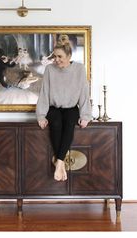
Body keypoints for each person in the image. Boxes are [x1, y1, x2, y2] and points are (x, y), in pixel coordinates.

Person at [36, 36, 91, 182]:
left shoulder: (79, 69)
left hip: (71, 108)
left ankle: (58, 162)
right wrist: (41, 116)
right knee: (56, 123)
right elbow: (44, 93)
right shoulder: (49, 69)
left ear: (69, 56)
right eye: (55, 56)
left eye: (60, 56)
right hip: (54, 108)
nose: (56, 59)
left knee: (69, 124)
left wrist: (85, 115)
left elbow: (84, 92)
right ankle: (61, 163)